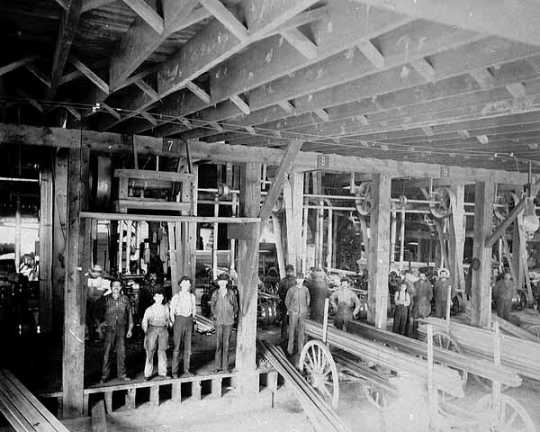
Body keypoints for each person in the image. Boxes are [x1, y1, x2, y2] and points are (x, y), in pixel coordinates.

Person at [99, 280, 133, 383]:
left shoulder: (125, 299)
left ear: (121, 287)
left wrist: (130, 328)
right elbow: (96, 312)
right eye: (114, 286)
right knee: (107, 353)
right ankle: (105, 376)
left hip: (121, 329)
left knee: (122, 353)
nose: (116, 288)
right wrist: (100, 325)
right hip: (109, 329)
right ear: (111, 287)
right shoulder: (105, 299)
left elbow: (130, 315)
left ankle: (122, 375)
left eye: (118, 286)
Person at [210, 273, 238, 373]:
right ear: (218, 283)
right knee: (218, 345)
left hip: (228, 322)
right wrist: (215, 315)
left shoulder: (231, 293)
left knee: (226, 345)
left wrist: (233, 315)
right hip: (218, 322)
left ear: (227, 282)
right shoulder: (215, 293)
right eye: (220, 281)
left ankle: (225, 368)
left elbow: (236, 306)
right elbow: (212, 306)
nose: (222, 283)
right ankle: (217, 367)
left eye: (224, 281)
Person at [141, 288, 171, 380]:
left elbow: (168, 320)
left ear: (163, 297)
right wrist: (147, 332)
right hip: (152, 330)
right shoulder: (149, 309)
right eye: (157, 296)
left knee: (162, 351)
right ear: (154, 297)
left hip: (163, 331)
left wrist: (169, 324)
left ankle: (163, 372)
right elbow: (144, 322)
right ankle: (147, 374)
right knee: (150, 352)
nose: (159, 298)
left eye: (161, 296)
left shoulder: (165, 309)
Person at [170, 276, 196, 378]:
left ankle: (186, 370)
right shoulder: (176, 297)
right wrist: (175, 322)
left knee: (188, 348)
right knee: (177, 348)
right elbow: (171, 312)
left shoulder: (192, 297)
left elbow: (194, 309)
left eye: (188, 284)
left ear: (189, 285)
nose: (186, 285)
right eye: (184, 283)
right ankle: (174, 372)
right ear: (180, 285)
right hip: (179, 321)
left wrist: (191, 319)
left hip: (189, 321)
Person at [285, 273, 310, 356]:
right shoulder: (291, 290)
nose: (300, 280)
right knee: (292, 331)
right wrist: (290, 309)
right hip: (294, 313)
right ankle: (290, 350)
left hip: (303, 313)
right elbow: (287, 301)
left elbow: (308, 300)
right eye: (298, 279)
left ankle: (301, 351)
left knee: (301, 332)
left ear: (303, 280)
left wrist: (305, 309)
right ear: (296, 280)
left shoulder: (306, 289)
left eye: (301, 279)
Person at [277, 265, 297, 345]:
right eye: (289, 271)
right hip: (291, 304)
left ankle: (284, 337)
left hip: (286, 304)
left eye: (290, 271)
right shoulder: (295, 281)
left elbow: (279, 292)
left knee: (285, 321)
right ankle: (292, 337)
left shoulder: (283, 281)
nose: (289, 273)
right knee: (291, 321)